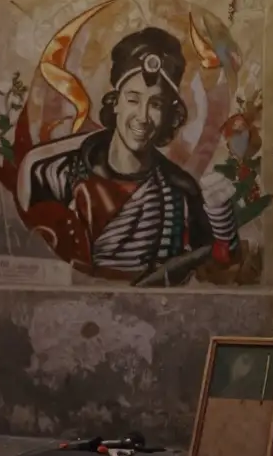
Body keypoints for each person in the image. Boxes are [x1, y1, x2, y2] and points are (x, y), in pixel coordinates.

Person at [16, 27, 239, 285]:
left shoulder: (181, 191)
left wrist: (222, 221)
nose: (143, 117)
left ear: (169, 114)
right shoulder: (55, 173)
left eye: (155, 104)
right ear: (115, 102)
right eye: (133, 100)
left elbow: (218, 271)